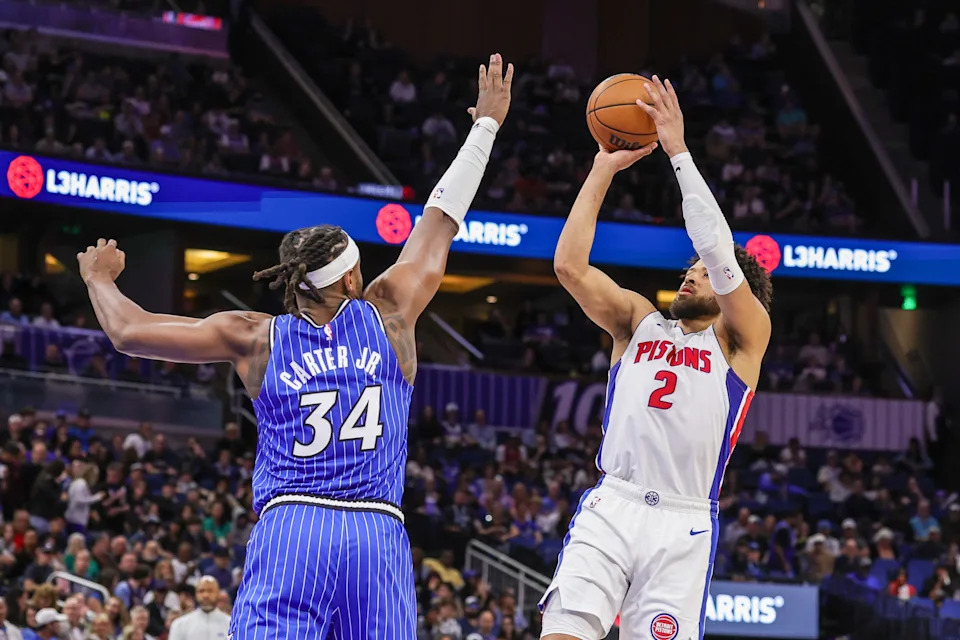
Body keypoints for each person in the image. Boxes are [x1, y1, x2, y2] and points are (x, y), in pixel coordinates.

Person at [77, 53, 514, 639]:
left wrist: (98, 279)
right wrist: (485, 125)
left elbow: (129, 332)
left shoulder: (253, 335)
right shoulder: (390, 313)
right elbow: (440, 219)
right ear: (354, 279)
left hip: (293, 529)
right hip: (375, 535)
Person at [542, 75, 773, 640]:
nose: (690, 274)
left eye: (702, 273)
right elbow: (570, 268)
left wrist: (677, 150)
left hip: (684, 522)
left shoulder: (742, 341)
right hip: (613, 503)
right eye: (687, 270)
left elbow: (719, 251)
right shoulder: (639, 321)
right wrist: (602, 169)